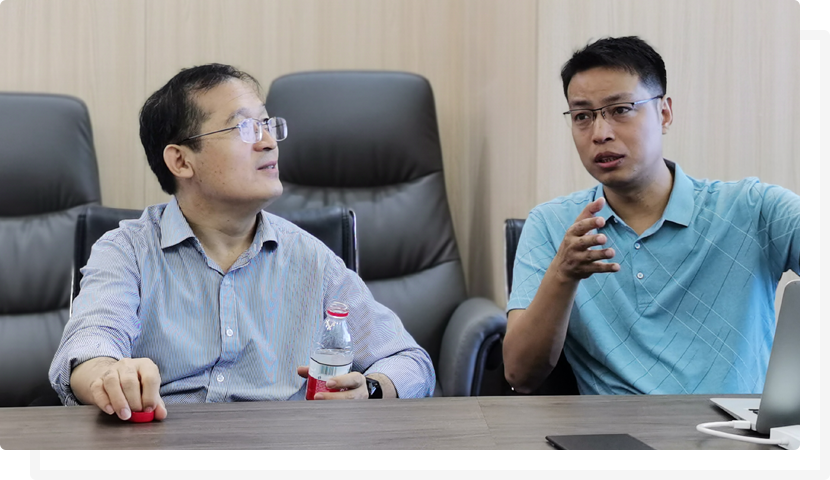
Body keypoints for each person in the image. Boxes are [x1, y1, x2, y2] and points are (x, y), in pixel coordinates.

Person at [49, 64, 435, 421]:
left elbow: (409, 360)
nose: (268, 142)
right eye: (244, 128)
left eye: (266, 124)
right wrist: (111, 375)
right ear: (181, 161)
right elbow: (89, 346)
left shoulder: (311, 258)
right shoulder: (127, 251)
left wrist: (370, 388)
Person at [503, 36, 801, 395]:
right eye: (582, 116)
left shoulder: (755, 208)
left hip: (732, 427)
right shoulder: (554, 226)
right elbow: (519, 374)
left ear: (664, 113)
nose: (600, 134)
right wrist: (563, 274)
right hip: (612, 428)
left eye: (621, 109)